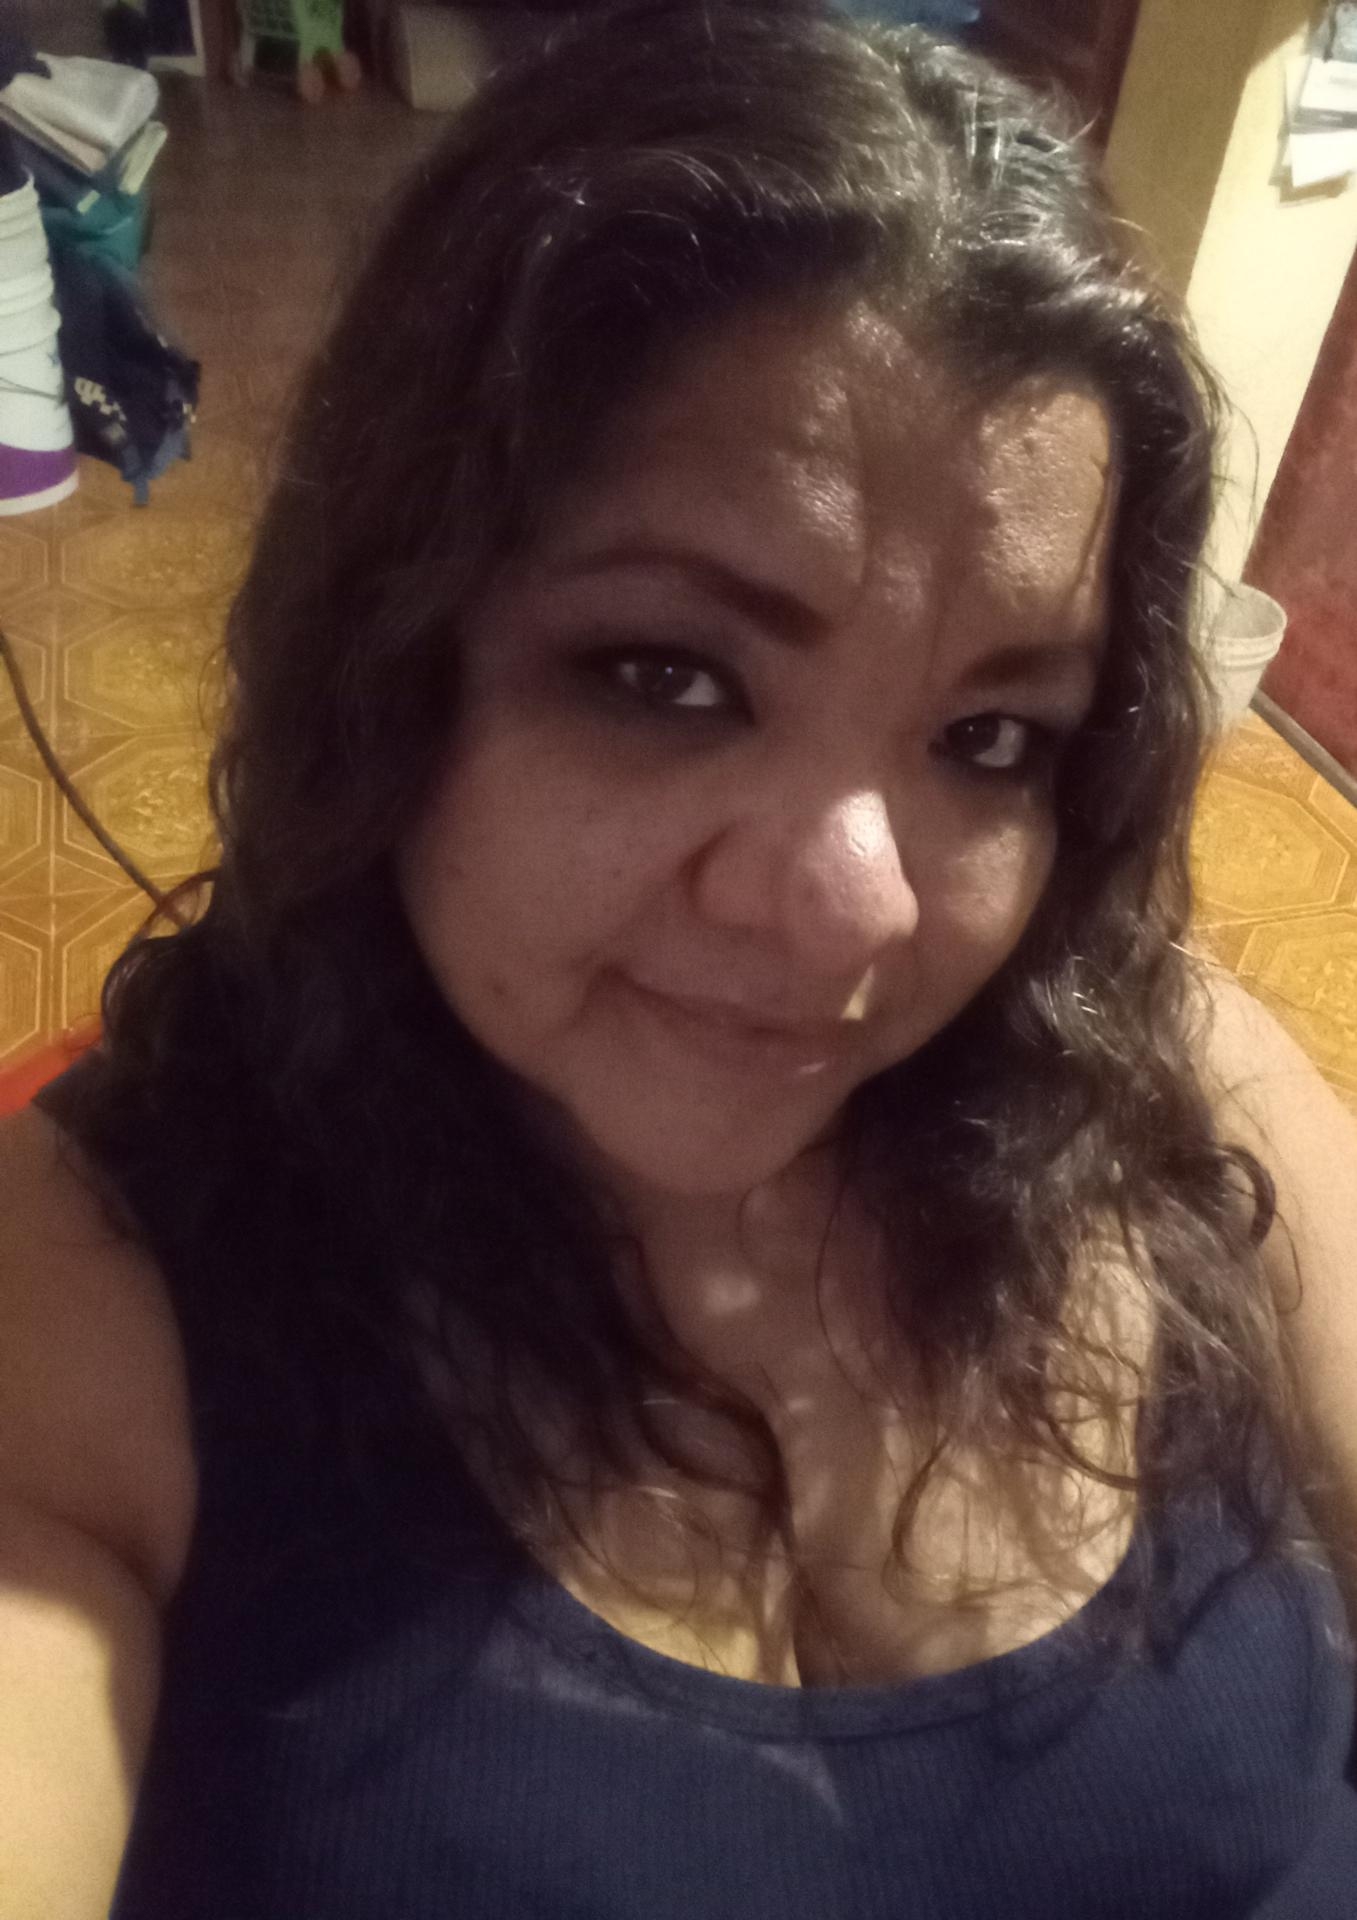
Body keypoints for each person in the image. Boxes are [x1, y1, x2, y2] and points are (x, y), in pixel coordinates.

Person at [3, 3, 1356, 1913]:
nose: (859, 911)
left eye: (989, 737)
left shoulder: (1160, 1074)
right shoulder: (93, 1298)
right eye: (668, 675)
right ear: (393, 652)